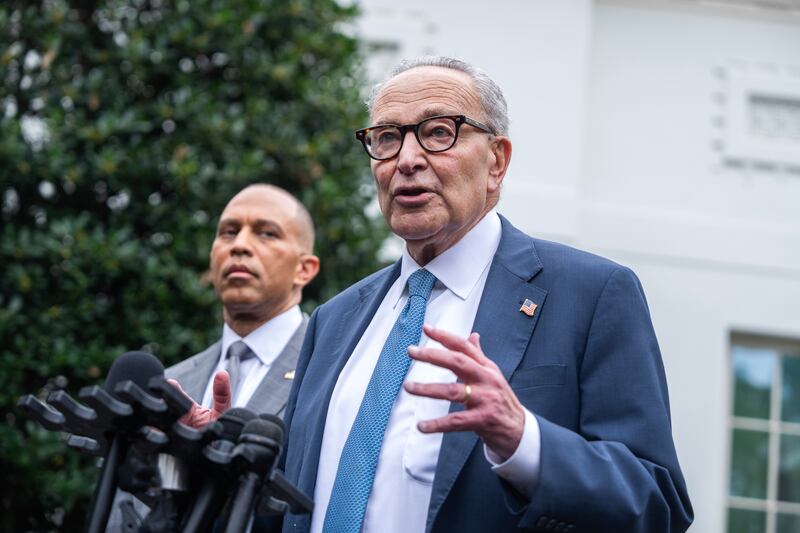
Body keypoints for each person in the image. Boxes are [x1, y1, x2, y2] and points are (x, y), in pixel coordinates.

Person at [272, 57, 693, 533]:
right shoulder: (334, 319)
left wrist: (523, 440)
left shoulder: (592, 295)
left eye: (438, 132)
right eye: (387, 138)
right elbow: (289, 502)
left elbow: (655, 501)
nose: (406, 159)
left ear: (497, 160)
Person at [106, 183, 320, 531]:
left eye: (266, 233)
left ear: (305, 269)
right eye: (228, 232)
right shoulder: (174, 381)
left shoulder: (330, 374)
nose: (240, 245)